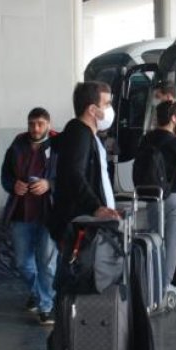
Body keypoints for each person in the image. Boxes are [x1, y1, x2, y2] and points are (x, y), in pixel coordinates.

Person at [48, 82, 120, 269]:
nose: (110, 110)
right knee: (76, 276)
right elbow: (74, 174)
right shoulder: (79, 134)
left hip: (88, 221)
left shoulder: (88, 135)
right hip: (79, 223)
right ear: (92, 110)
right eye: (107, 104)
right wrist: (95, 207)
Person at [2, 107, 59, 325]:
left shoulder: (58, 145)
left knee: (46, 261)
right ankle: (39, 293)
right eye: (32, 123)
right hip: (21, 211)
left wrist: (49, 184)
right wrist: (12, 185)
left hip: (48, 213)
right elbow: (5, 175)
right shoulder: (17, 145)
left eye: (40, 124)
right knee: (22, 263)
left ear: (48, 124)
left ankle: (47, 305)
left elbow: (67, 176)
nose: (36, 128)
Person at [138, 100, 176, 297]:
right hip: (174, 196)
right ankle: (164, 287)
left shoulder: (147, 139)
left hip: (152, 196)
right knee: (172, 243)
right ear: (172, 118)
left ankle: (151, 283)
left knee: (154, 240)